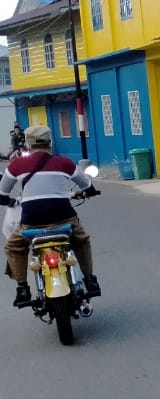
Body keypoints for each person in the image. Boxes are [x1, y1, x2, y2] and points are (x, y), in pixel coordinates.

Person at [1, 123, 100, 307]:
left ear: (28, 145)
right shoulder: (64, 163)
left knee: (14, 247)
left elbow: (2, 194)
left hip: (31, 222)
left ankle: (22, 287)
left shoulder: (16, 165)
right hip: (63, 218)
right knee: (81, 240)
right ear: (50, 143)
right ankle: (89, 279)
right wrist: (90, 191)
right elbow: (86, 185)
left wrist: (10, 202)